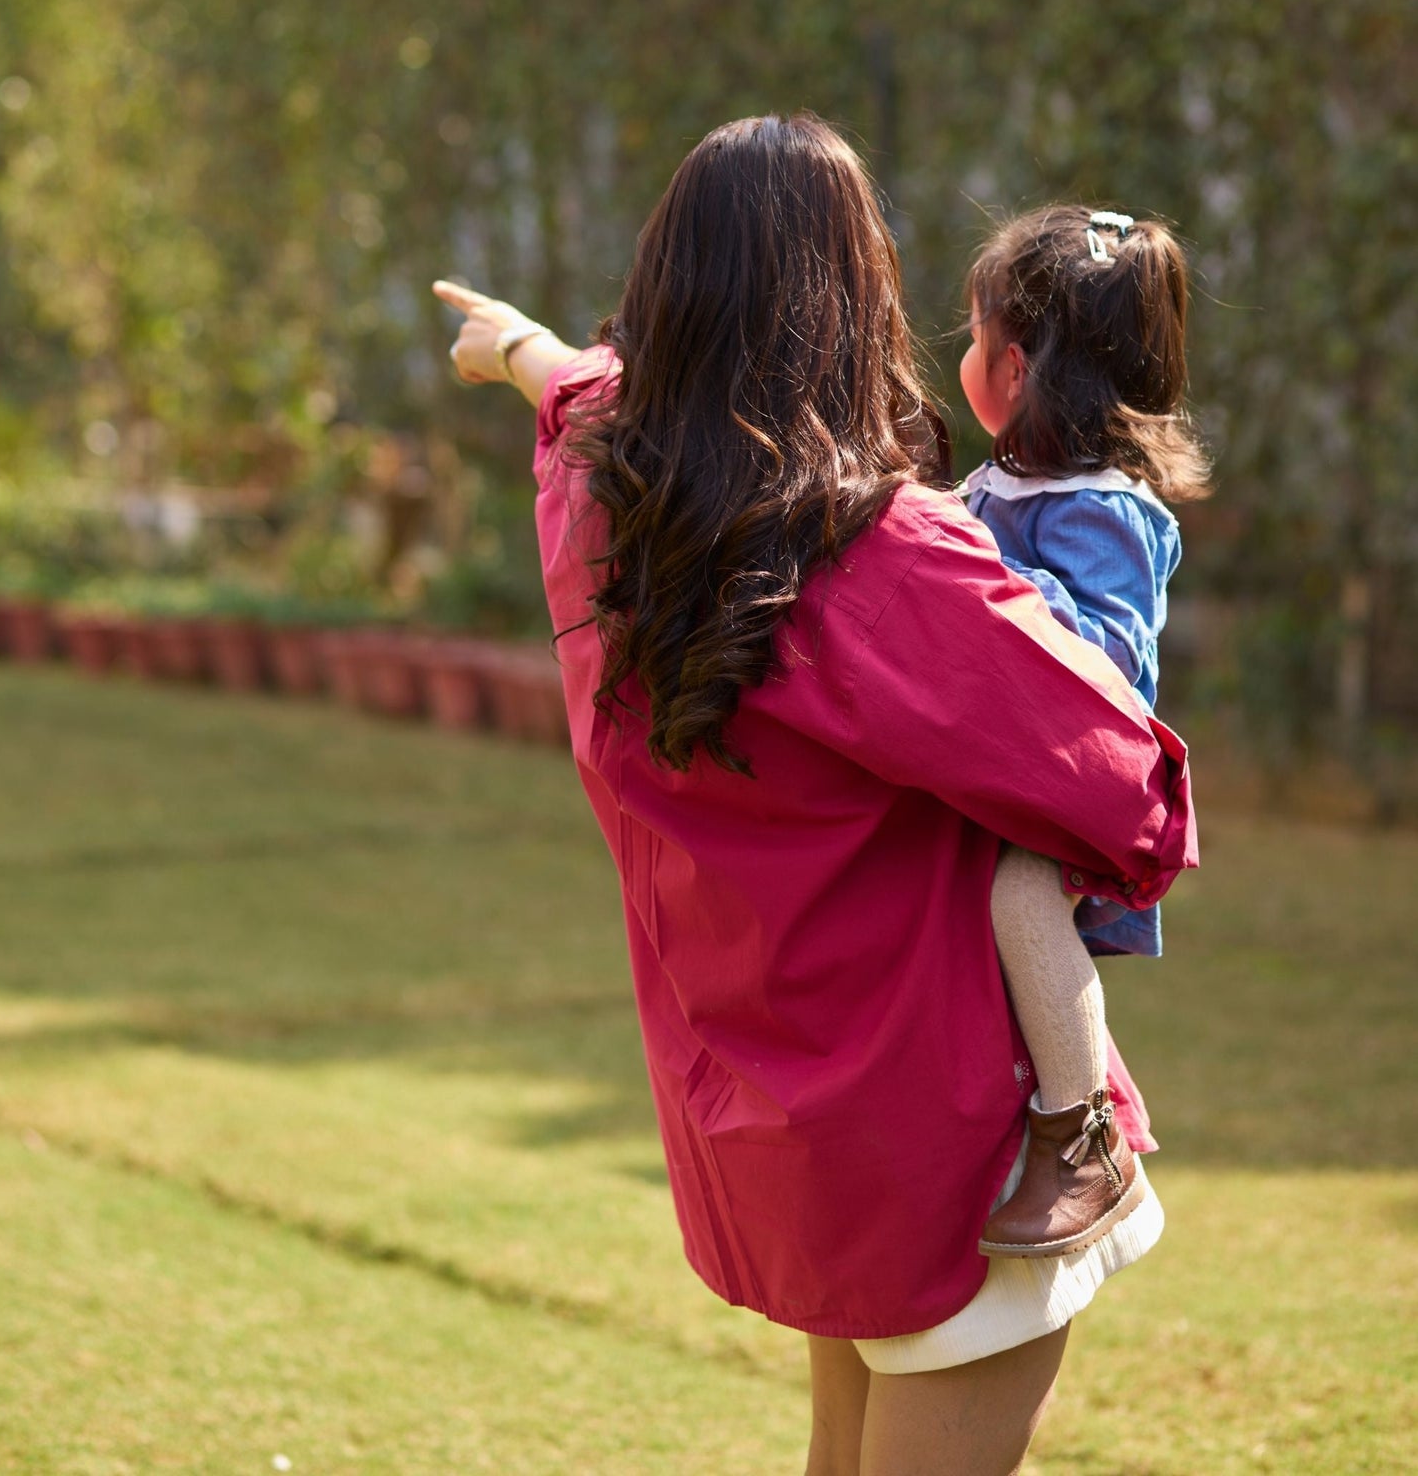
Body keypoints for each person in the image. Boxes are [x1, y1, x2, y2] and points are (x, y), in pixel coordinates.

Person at [434, 115, 1196, 1476]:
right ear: (857, 303)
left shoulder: (603, 499)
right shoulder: (877, 556)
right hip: (951, 1132)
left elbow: (580, 390)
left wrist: (515, 349)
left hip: (778, 1119)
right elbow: (1119, 787)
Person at [955, 206, 1209, 1263]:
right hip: (999, 766)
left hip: (1073, 783)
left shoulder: (1104, 508)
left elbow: (1104, 648)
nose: (959, 358)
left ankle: (1083, 1137)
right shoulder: (997, 482)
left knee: (1017, 892)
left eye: (968, 338)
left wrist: (978, 578)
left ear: (1010, 369)